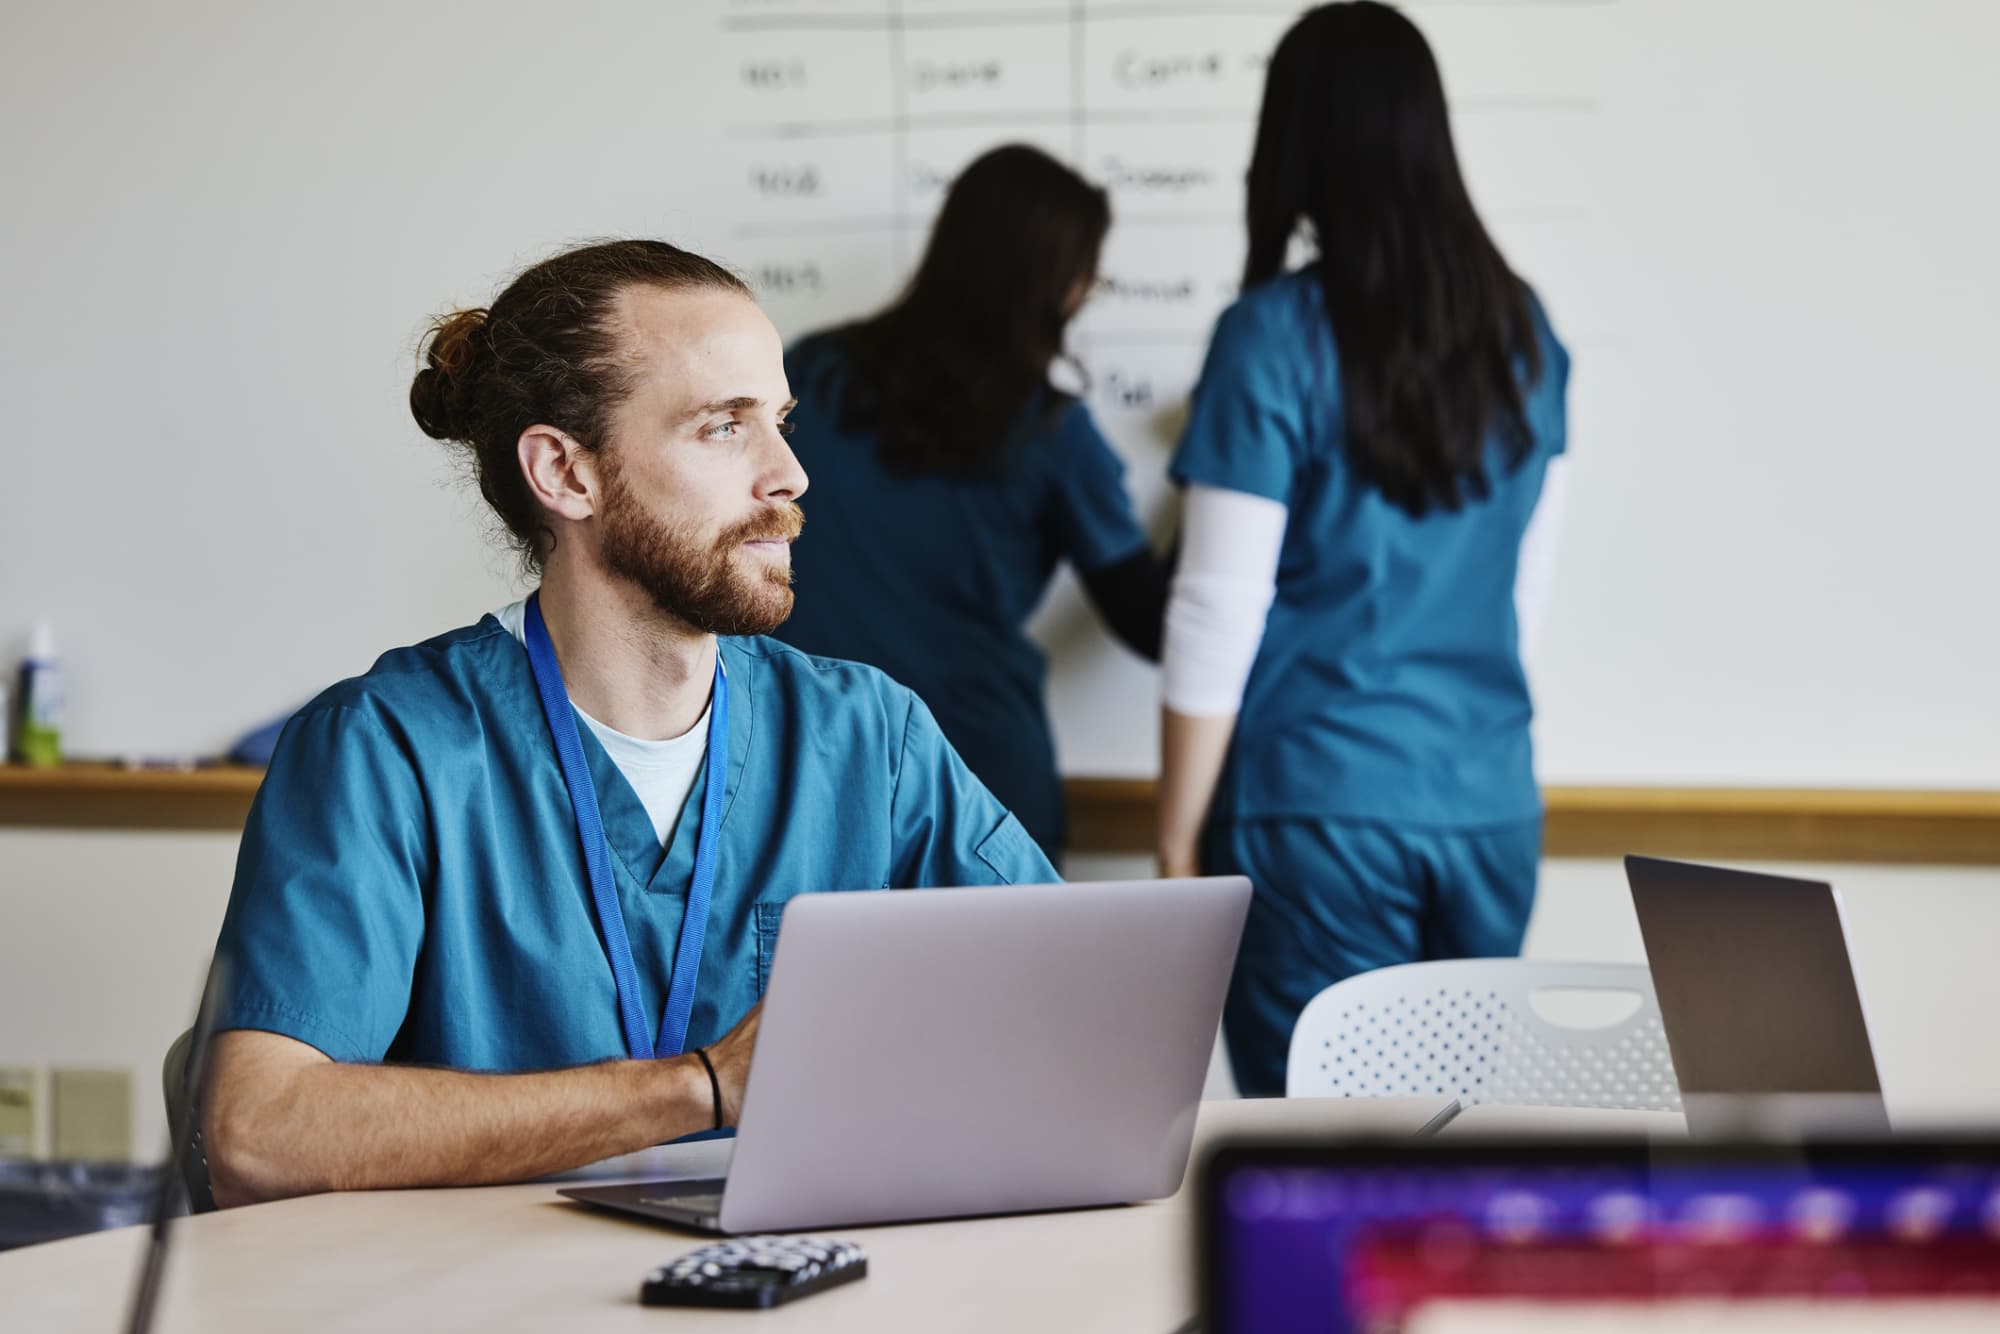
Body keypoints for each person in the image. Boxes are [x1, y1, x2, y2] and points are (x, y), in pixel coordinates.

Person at [201, 240, 1055, 1206]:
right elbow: (261, 1133)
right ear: (566, 473)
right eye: (724, 427)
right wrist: (699, 1087)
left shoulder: (870, 738)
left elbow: (1075, 1003)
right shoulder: (386, 750)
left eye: (780, 422)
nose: (790, 476)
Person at [1156, 2, 1573, 1097]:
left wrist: (1171, 843)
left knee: (1324, 1161)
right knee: (1448, 1144)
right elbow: (1519, 594)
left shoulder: (1271, 336)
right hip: (1486, 802)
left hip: (1319, 807)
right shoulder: (1526, 332)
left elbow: (1215, 606)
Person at [773, 145, 1168, 864]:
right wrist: (1215, 481)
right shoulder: (1052, 430)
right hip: (980, 785)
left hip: (806, 769)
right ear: (1056, 282)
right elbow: (1151, 622)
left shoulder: (809, 374)